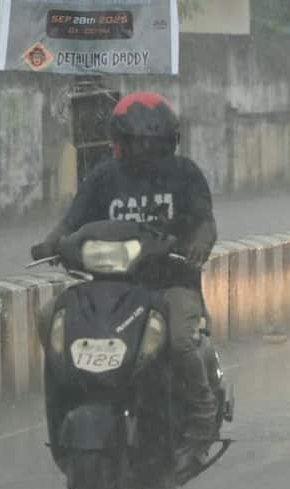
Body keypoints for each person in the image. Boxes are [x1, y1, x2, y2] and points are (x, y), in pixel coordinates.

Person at [32, 91, 219, 443]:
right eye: (138, 144)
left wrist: (199, 245)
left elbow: (206, 223)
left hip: (170, 286)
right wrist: (52, 242)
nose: (147, 151)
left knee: (180, 341)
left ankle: (201, 412)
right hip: (109, 288)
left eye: (156, 143)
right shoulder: (103, 178)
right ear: (119, 144)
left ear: (170, 142)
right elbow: (70, 223)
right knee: (48, 318)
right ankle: (66, 400)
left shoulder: (185, 174)